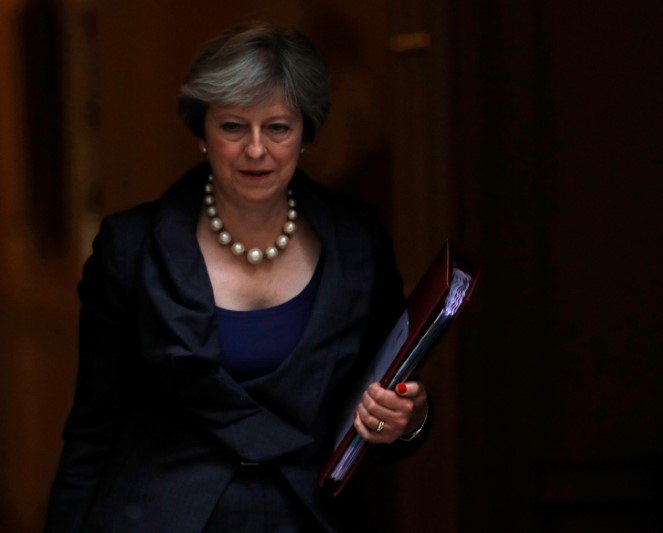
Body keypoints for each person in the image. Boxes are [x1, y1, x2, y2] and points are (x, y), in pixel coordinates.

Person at [44, 22, 429, 532]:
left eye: (277, 127)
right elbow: (92, 430)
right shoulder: (129, 248)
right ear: (202, 130)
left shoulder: (358, 241)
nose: (255, 150)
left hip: (309, 516)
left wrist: (408, 421)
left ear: (305, 132)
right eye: (232, 127)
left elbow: (379, 405)